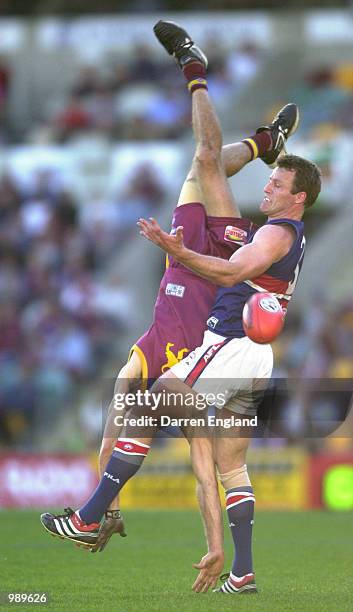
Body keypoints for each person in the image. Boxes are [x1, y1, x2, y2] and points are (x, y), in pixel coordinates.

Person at [40, 20, 311, 594]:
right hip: (224, 295)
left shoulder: (278, 237)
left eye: (277, 182)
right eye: (272, 180)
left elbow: (238, 272)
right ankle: (222, 560)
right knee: (206, 160)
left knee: (143, 407)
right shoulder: (273, 233)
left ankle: (97, 511)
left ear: (297, 196)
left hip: (210, 304)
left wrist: (176, 250)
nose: (269, 190)